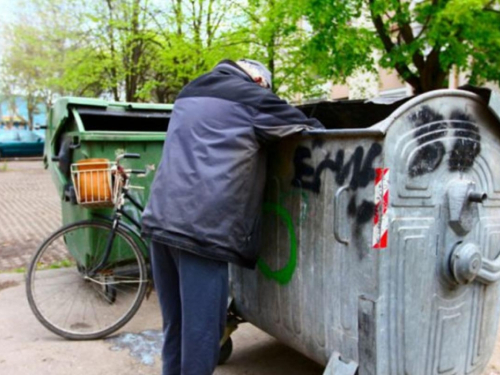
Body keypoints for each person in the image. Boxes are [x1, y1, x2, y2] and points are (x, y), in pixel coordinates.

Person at [141, 59, 324, 375]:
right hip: (201, 233)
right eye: (265, 85)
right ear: (256, 78)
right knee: (202, 336)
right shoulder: (252, 96)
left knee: (177, 326)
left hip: (160, 221)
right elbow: (308, 127)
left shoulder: (190, 90)